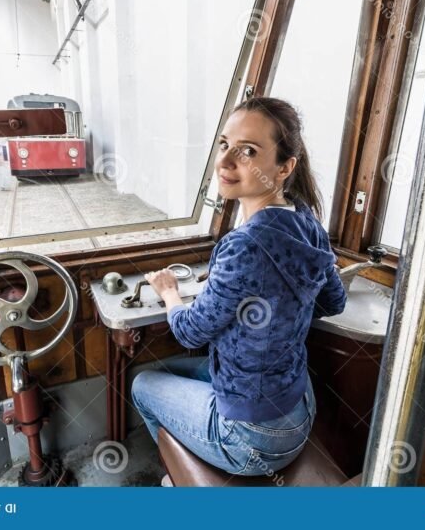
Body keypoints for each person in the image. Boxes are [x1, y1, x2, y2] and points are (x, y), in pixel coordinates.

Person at [132, 97, 346, 480]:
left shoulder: (244, 246)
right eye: (224, 144)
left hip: (254, 437)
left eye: (247, 151)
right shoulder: (306, 221)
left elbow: (188, 331)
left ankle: (178, 479)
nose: (225, 161)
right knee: (170, 371)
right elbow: (333, 301)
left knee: (143, 383)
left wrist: (168, 291)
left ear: (285, 167)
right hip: (300, 408)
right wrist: (264, 297)